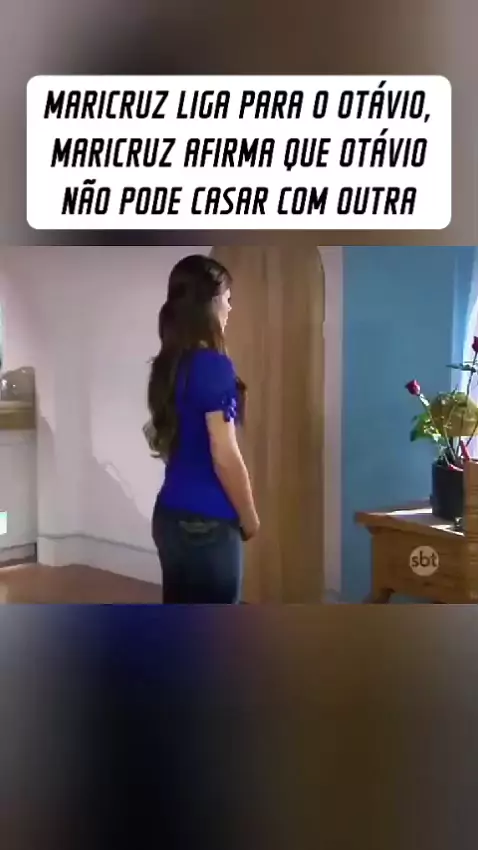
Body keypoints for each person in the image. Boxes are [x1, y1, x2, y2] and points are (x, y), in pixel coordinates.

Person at [146, 254, 260, 604]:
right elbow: (224, 455)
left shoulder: (170, 365)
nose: (230, 308)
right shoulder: (213, 365)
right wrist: (250, 518)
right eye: (227, 298)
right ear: (209, 303)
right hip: (207, 524)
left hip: (169, 516)